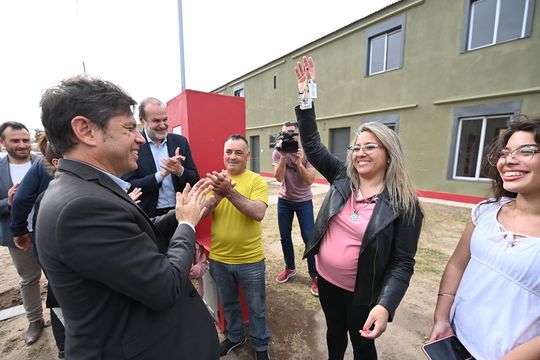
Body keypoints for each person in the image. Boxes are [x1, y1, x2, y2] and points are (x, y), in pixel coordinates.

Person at [36, 75, 219, 359]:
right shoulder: (80, 206)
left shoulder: (87, 188)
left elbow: (136, 235)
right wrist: (186, 224)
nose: (139, 138)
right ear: (86, 130)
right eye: (130, 127)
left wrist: (181, 214)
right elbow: (165, 286)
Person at [293, 57, 423, 360]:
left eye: (370, 146)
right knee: (334, 331)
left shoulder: (405, 204)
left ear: (389, 155)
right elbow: (312, 144)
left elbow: (403, 263)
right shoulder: (342, 176)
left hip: (363, 292)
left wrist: (385, 304)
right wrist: (305, 95)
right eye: (356, 147)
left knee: (362, 342)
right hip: (326, 279)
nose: (360, 153)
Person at [429, 115, 540, 360]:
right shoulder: (486, 211)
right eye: (505, 152)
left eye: (527, 151)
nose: (509, 160)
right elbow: (457, 265)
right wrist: (442, 318)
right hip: (455, 342)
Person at [205, 134, 271, 360]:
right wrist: (217, 193)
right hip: (219, 258)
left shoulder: (256, 181)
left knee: (256, 309)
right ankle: (235, 337)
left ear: (247, 156)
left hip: (250, 260)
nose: (232, 156)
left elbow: (258, 213)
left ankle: (261, 346)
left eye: (238, 152)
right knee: (229, 304)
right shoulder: (215, 180)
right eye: (228, 152)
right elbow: (202, 213)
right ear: (223, 154)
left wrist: (229, 192)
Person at [10, 134, 66, 358]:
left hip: (47, 238)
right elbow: (21, 200)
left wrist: (19, 230)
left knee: (58, 289)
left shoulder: (42, 165)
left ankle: (64, 346)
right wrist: (19, 231)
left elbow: (23, 198)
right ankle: (62, 344)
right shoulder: (43, 167)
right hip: (53, 238)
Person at [0, 121, 45, 345]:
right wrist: (7, 202)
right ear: (2, 142)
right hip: (18, 237)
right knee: (29, 279)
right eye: (15, 141)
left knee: (59, 276)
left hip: (46, 231)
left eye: (26, 140)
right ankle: (35, 320)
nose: (22, 145)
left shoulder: (44, 163)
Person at [123, 97, 199, 217]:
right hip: (148, 216)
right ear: (142, 120)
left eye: (165, 119)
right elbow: (128, 185)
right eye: (156, 121)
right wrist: (161, 175)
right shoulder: (132, 144)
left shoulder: (180, 142)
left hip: (180, 212)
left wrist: (180, 171)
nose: (163, 125)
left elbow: (195, 179)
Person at [272, 120, 318, 296]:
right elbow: (278, 178)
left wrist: (299, 164)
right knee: (285, 237)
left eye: (292, 133)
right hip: (285, 200)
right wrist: (284, 157)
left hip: (304, 200)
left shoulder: (309, 151)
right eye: (285, 134)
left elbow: (309, 180)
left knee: (309, 238)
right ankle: (290, 267)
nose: (288, 137)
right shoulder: (278, 151)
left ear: (300, 135)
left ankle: (315, 275)